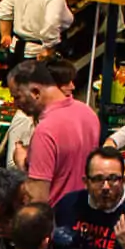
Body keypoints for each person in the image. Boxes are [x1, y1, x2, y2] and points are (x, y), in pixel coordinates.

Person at [19, 58, 103, 208]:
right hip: (83, 211)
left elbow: (38, 196)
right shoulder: (88, 113)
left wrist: (22, 160)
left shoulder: (46, 130)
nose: (73, 86)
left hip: (55, 215)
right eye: (67, 82)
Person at [0, 0, 74, 57]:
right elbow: (51, 24)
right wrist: (48, 48)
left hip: (17, 49)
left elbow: (4, 7)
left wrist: (5, 34)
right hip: (39, 52)